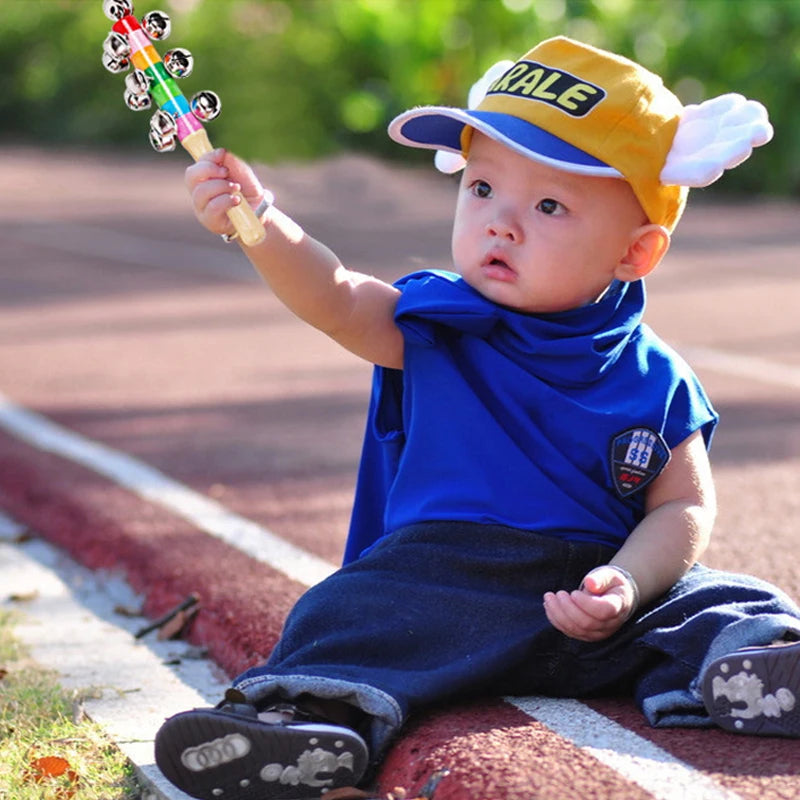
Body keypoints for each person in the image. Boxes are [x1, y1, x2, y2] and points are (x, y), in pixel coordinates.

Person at [154, 36, 800, 800]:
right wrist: (258, 222)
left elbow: (684, 505)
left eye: (549, 205)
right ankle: (306, 725)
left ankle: (758, 666)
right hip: (445, 586)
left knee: (731, 601)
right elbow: (332, 294)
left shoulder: (655, 377)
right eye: (483, 188)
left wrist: (626, 582)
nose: (501, 223)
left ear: (637, 252)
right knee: (346, 611)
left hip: (600, 599)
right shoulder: (434, 321)